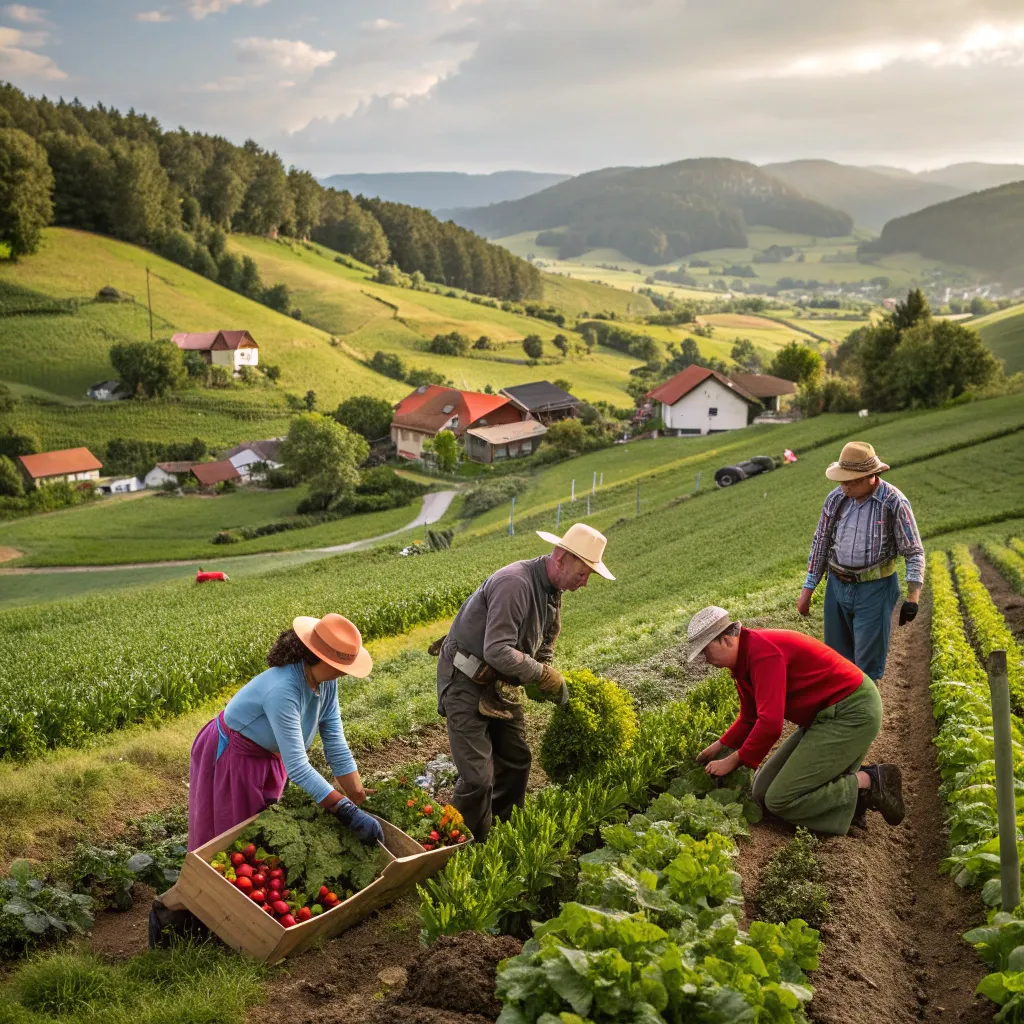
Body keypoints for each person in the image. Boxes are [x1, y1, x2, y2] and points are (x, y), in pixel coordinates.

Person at [433, 523, 614, 840]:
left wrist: (543, 673)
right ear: (560, 557)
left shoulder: (551, 592)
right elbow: (497, 650)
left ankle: (503, 835)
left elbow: (545, 643)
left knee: (517, 760)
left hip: (498, 685)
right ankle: (454, 849)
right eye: (583, 574)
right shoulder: (514, 583)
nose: (584, 583)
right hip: (465, 681)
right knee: (477, 778)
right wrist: (542, 675)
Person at [686, 605, 904, 835]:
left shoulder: (763, 653)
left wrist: (733, 760)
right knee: (761, 793)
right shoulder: (744, 660)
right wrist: (720, 746)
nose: (705, 659)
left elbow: (770, 724)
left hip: (852, 710)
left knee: (780, 799)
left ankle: (869, 781)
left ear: (726, 640)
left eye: (705, 650)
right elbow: (750, 717)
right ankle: (851, 801)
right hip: (824, 716)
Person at [187, 612, 383, 851]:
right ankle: (209, 885)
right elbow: (298, 766)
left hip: (272, 755)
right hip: (234, 754)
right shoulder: (283, 689)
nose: (346, 671)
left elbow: (334, 739)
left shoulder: (327, 683)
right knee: (234, 835)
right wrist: (343, 809)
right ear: (319, 658)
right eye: (342, 665)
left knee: (267, 824)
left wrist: (357, 795)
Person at [797, 441, 924, 682]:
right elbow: (820, 542)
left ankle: (867, 717)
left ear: (871, 476)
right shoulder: (836, 499)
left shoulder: (893, 502)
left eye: (851, 481)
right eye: (842, 480)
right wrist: (808, 589)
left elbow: (914, 551)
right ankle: (845, 714)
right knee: (837, 661)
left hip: (875, 589)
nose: (844, 486)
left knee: (867, 665)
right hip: (837, 585)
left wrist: (912, 598)